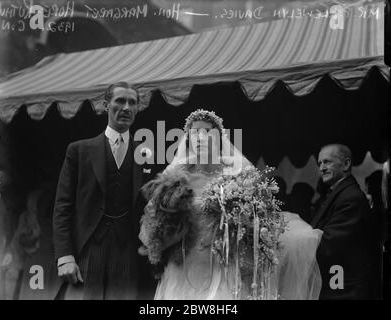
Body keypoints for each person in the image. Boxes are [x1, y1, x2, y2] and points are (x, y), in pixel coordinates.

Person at [139, 109, 322, 300]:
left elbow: (257, 212)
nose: (200, 137)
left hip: (223, 258)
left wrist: (238, 222)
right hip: (185, 258)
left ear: (218, 137)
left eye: (207, 132)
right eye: (194, 132)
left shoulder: (236, 171)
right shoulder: (176, 174)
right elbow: (155, 215)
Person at [52, 82, 151, 300]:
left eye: (132, 103)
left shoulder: (146, 154)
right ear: (106, 105)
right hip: (88, 250)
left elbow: (150, 207)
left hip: (128, 253)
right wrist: (64, 256)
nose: (126, 107)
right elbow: (63, 207)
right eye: (120, 101)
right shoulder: (79, 150)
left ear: (137, 109)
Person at [311, 144, 379, 299]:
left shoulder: (350, 198)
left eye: (327, 162)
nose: (321, 168)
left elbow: (331, 243)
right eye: (320, 163)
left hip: (344, 288)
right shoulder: (339, 193)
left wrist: (294, 241)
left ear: (347, 164)